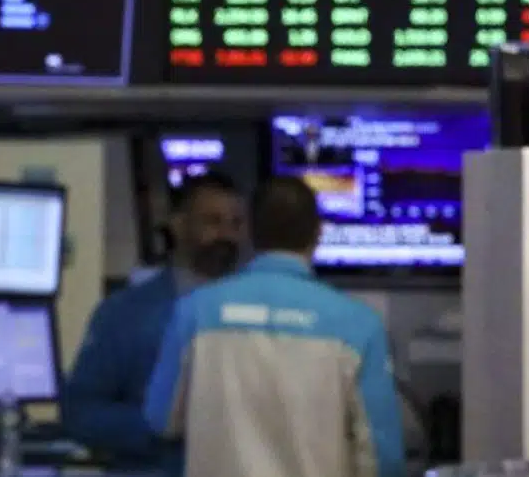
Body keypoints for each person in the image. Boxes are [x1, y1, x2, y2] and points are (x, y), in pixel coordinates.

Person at [144, 176, 406, 477]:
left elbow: (161, 421)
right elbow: (382, 459)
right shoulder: (359, 325)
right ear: (318, 234)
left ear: (250, 232)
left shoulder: (195, 311)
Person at [61, 172, 245, 470]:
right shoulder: (126, 314)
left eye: (235, 224)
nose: (226, 235)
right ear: (178, 225)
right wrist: (161, 425)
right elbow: (80, 413)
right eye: (212, 222)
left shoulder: (258, 311)